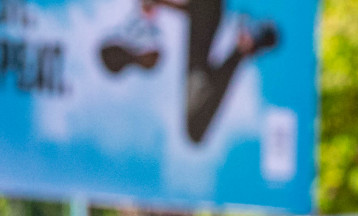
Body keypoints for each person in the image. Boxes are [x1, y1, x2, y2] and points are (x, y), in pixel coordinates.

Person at [100, 0, 280, 144]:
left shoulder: (139, 24)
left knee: (194, 129)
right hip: (200, 35)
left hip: (203, 24)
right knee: (194, 131)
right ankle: (243, 47)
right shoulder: (144, 26)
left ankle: (243, 47)